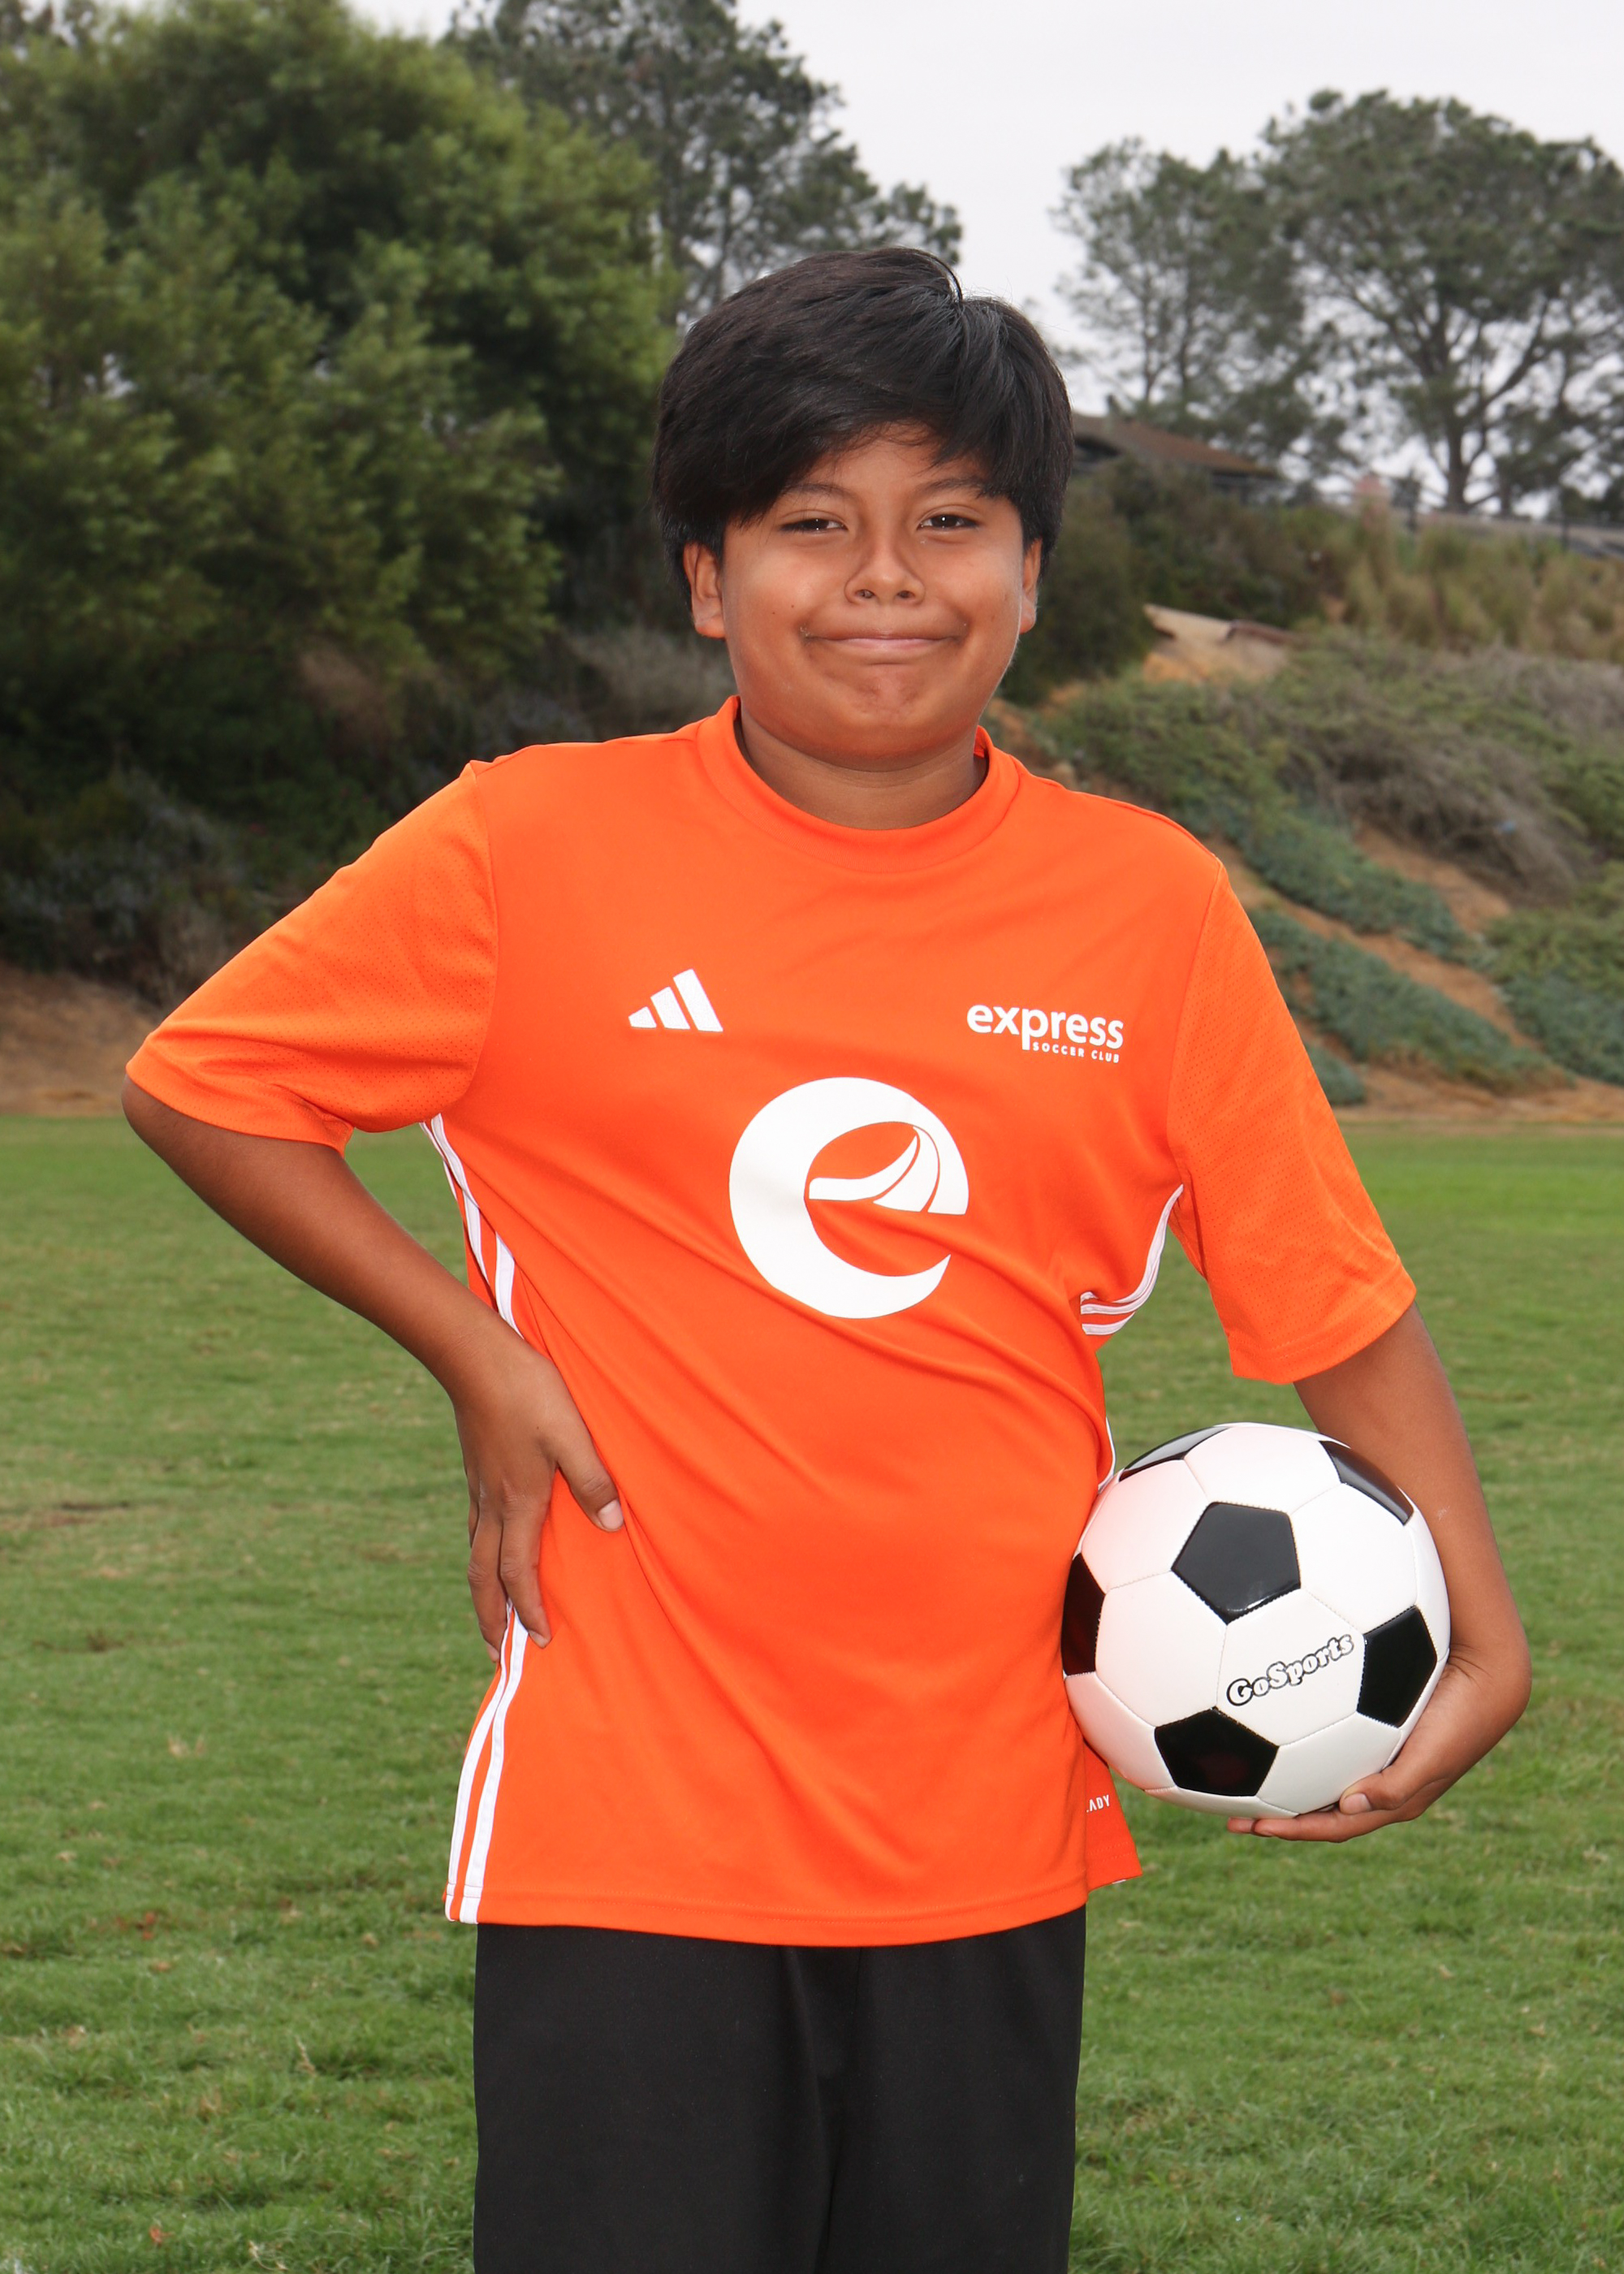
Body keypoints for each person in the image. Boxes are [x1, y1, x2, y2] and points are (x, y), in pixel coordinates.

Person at [123, 248, 1531, 2274]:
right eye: (812, 522)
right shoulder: (528, 844)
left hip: (992, 1819)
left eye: (949, 521)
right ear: (708, 576)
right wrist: (476, 1354)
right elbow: (205, 1082)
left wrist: (1481, 1625)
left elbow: (1328, 1289)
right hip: (628, 1829)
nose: (886, 577)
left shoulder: (1145, 907)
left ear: (1030, 573)